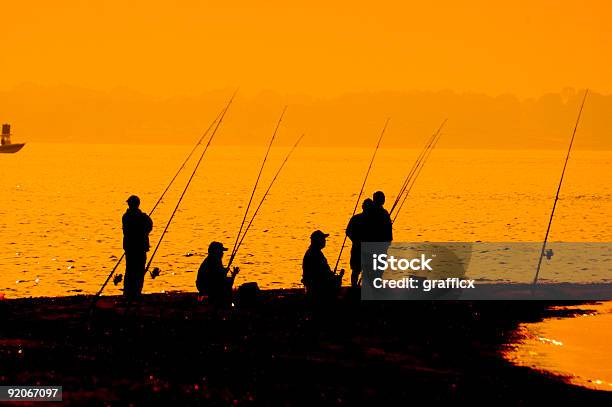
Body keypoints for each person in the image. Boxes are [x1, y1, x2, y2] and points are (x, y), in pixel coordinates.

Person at [122, 195, 153, 300]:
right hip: (139, 248)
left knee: (130, 270)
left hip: (130, 248)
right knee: (138, 271)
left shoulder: (126, 217)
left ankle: (128, 293)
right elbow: (149, 226)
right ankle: (135, 292)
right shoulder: (142, 217)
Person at [302, 230, 344, 299]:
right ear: (318, 241)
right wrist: (335, 277)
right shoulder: (315, 254)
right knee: (336, 281)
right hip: (317, 287)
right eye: (323, 239)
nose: (325, 241)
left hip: (313, 284)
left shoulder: (313, 252)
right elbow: (322, 273)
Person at [196, 241, 239, 306]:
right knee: (227, 283)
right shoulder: (212, 262)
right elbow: (218, 278)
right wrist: (232, 275)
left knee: (227, 282)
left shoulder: (213, 260)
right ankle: (222, 303)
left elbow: (219, 275)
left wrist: (229, 273)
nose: (222, 253)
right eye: (221, 251)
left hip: (204, 285)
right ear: (216, 252)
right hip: (207, 286)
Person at [346, 198, 374, 288]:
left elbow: (348, 232)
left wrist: (354, 241)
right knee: (361, 271)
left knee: (356, 270)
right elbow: (348, 232)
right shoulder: (373, 221)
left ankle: (354, 287)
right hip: (362, 249)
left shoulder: (355, 218)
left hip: (357, 248)